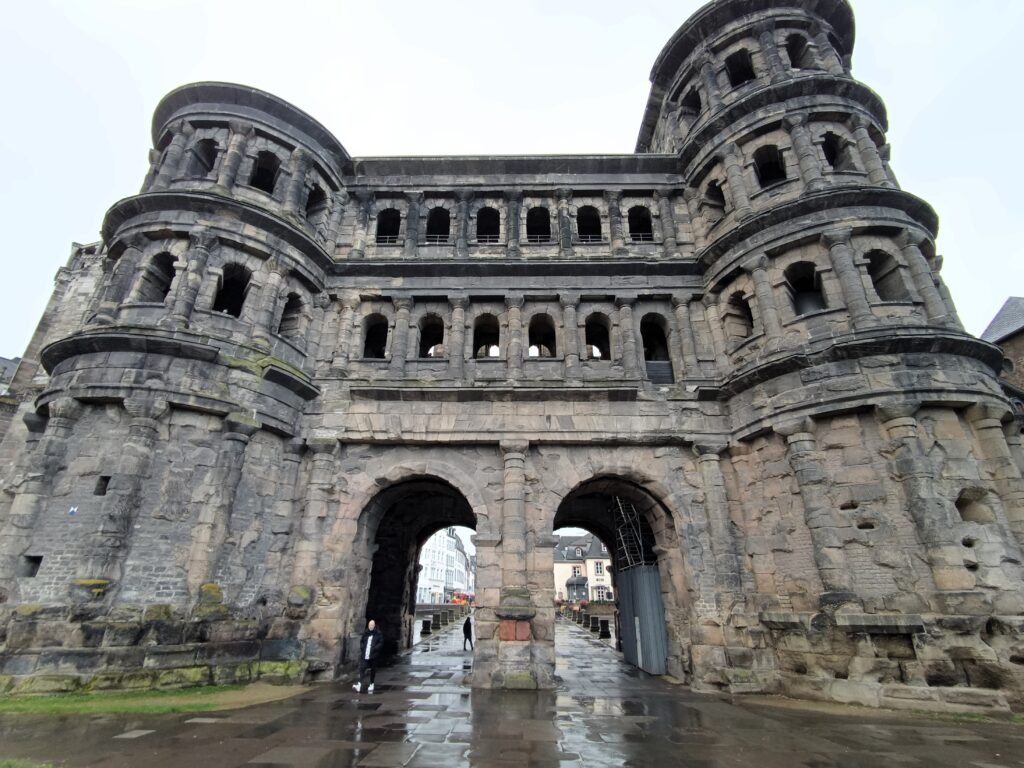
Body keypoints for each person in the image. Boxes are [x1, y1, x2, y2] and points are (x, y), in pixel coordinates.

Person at [353, 618, 382, 693]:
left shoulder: (378, 633)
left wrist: (375, 649)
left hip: (373, 655)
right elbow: (362, 641)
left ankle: (372, 684)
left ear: (374, 625)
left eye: (372, 625)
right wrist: (362, 647)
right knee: (362, 668)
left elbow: (381, 642)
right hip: (365, 654)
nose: (371, 626)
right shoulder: (365, 633)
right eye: (369, 625)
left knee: (373, 670)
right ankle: (359, 684)